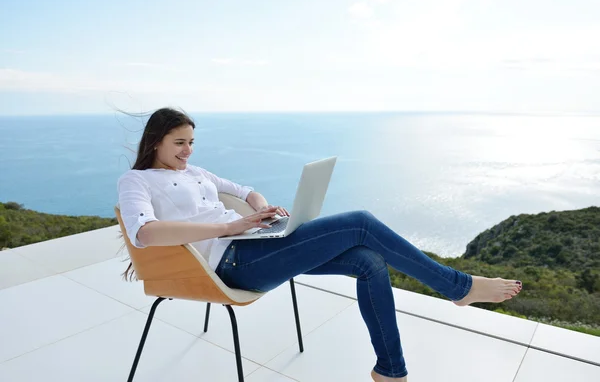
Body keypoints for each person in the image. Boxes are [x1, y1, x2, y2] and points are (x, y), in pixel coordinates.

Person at [117, 107, 523, 382]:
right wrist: (228, 228)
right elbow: (146, 233)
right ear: (156, 142)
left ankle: (390, 371)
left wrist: (263, 212)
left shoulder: (197, 172)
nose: (188, 151)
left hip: (252, 242)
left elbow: (245, 190)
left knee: (368, 261)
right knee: (361, 223)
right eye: (179, 144)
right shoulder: (136, 182)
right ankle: (459, 286)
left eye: (191, 142)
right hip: (230, 263)